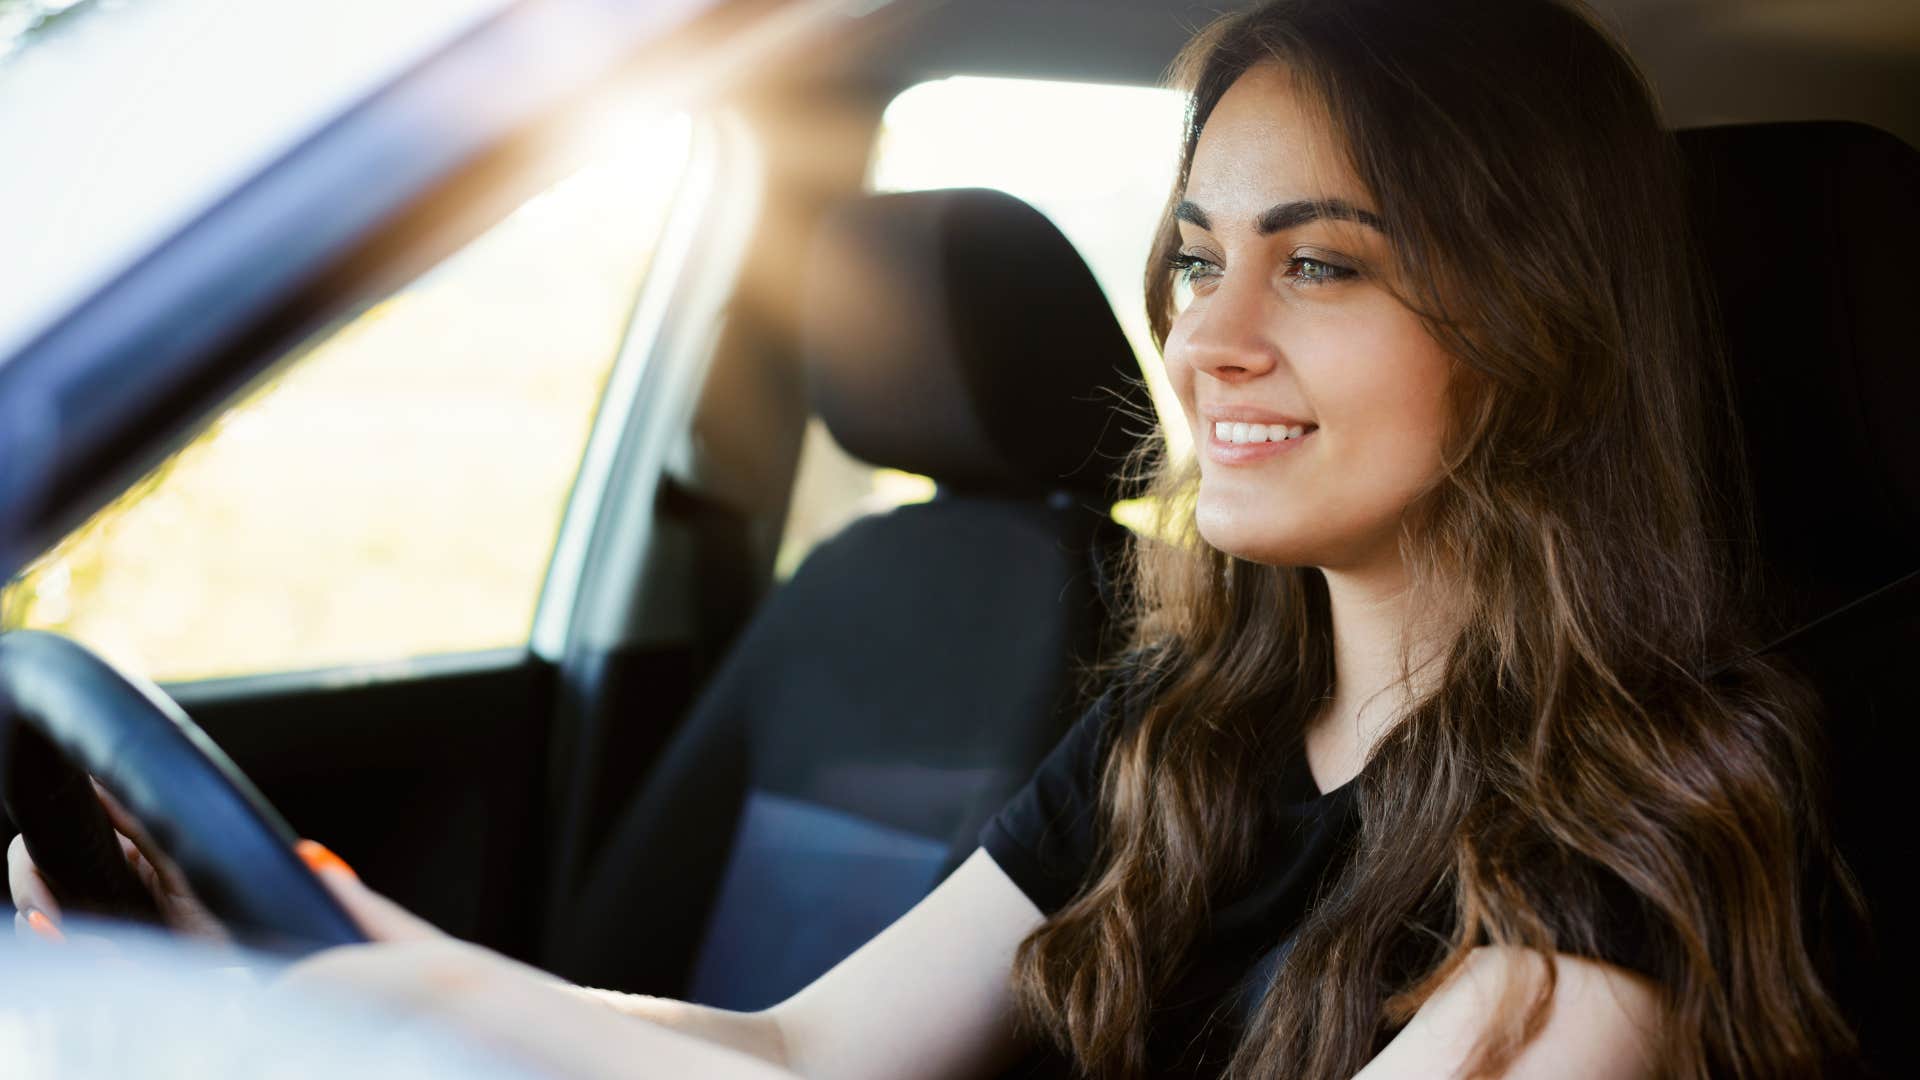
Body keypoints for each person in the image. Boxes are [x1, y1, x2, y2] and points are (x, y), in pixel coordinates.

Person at [8, 0, 1863, 1076]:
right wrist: (337, 960)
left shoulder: (1622, 855)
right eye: (1201, 253)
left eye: (1322, 260)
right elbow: (802, 1057)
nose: (1207, 336)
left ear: (1532, 327)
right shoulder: (1182, 730)